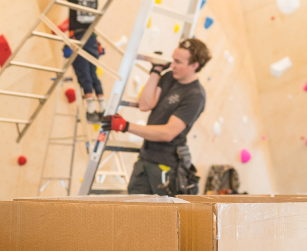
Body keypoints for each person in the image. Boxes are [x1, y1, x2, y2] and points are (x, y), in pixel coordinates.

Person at [102, 38, 211, 195]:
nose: (172, 65)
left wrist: (126, 126)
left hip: (166, 167)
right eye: (173, 60)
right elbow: (145, 104)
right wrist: (156, 71)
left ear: (194, 66)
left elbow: (168, 133)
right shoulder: (169, 77)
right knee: (133, 213)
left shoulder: (195, 96)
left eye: (178, 62)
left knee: (160, 218)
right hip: (146, 159)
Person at [68, 0, 106, 123]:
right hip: (92, 36)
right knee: (92, 73)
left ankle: (91, 110)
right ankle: (102, 107)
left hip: (80, 36)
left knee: (84, 73)